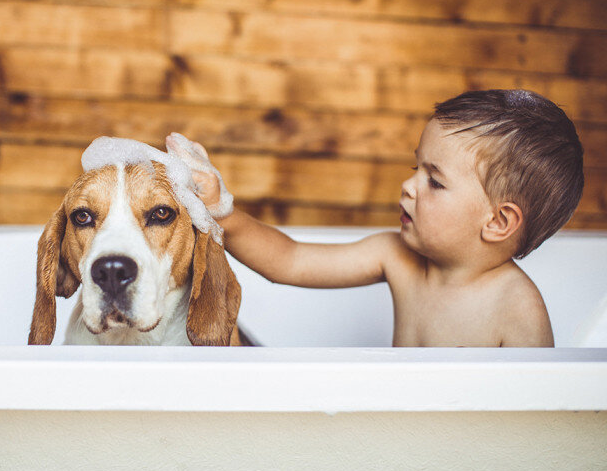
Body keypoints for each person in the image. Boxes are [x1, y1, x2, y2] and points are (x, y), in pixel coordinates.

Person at [168, 90, 584, 347]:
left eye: (434, 181)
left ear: (497, 222)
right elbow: (290, 260)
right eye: (416, 167)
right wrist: (225, 212)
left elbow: (532, 418)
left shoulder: (516, 308)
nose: (409, 185)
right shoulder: (396, 256)